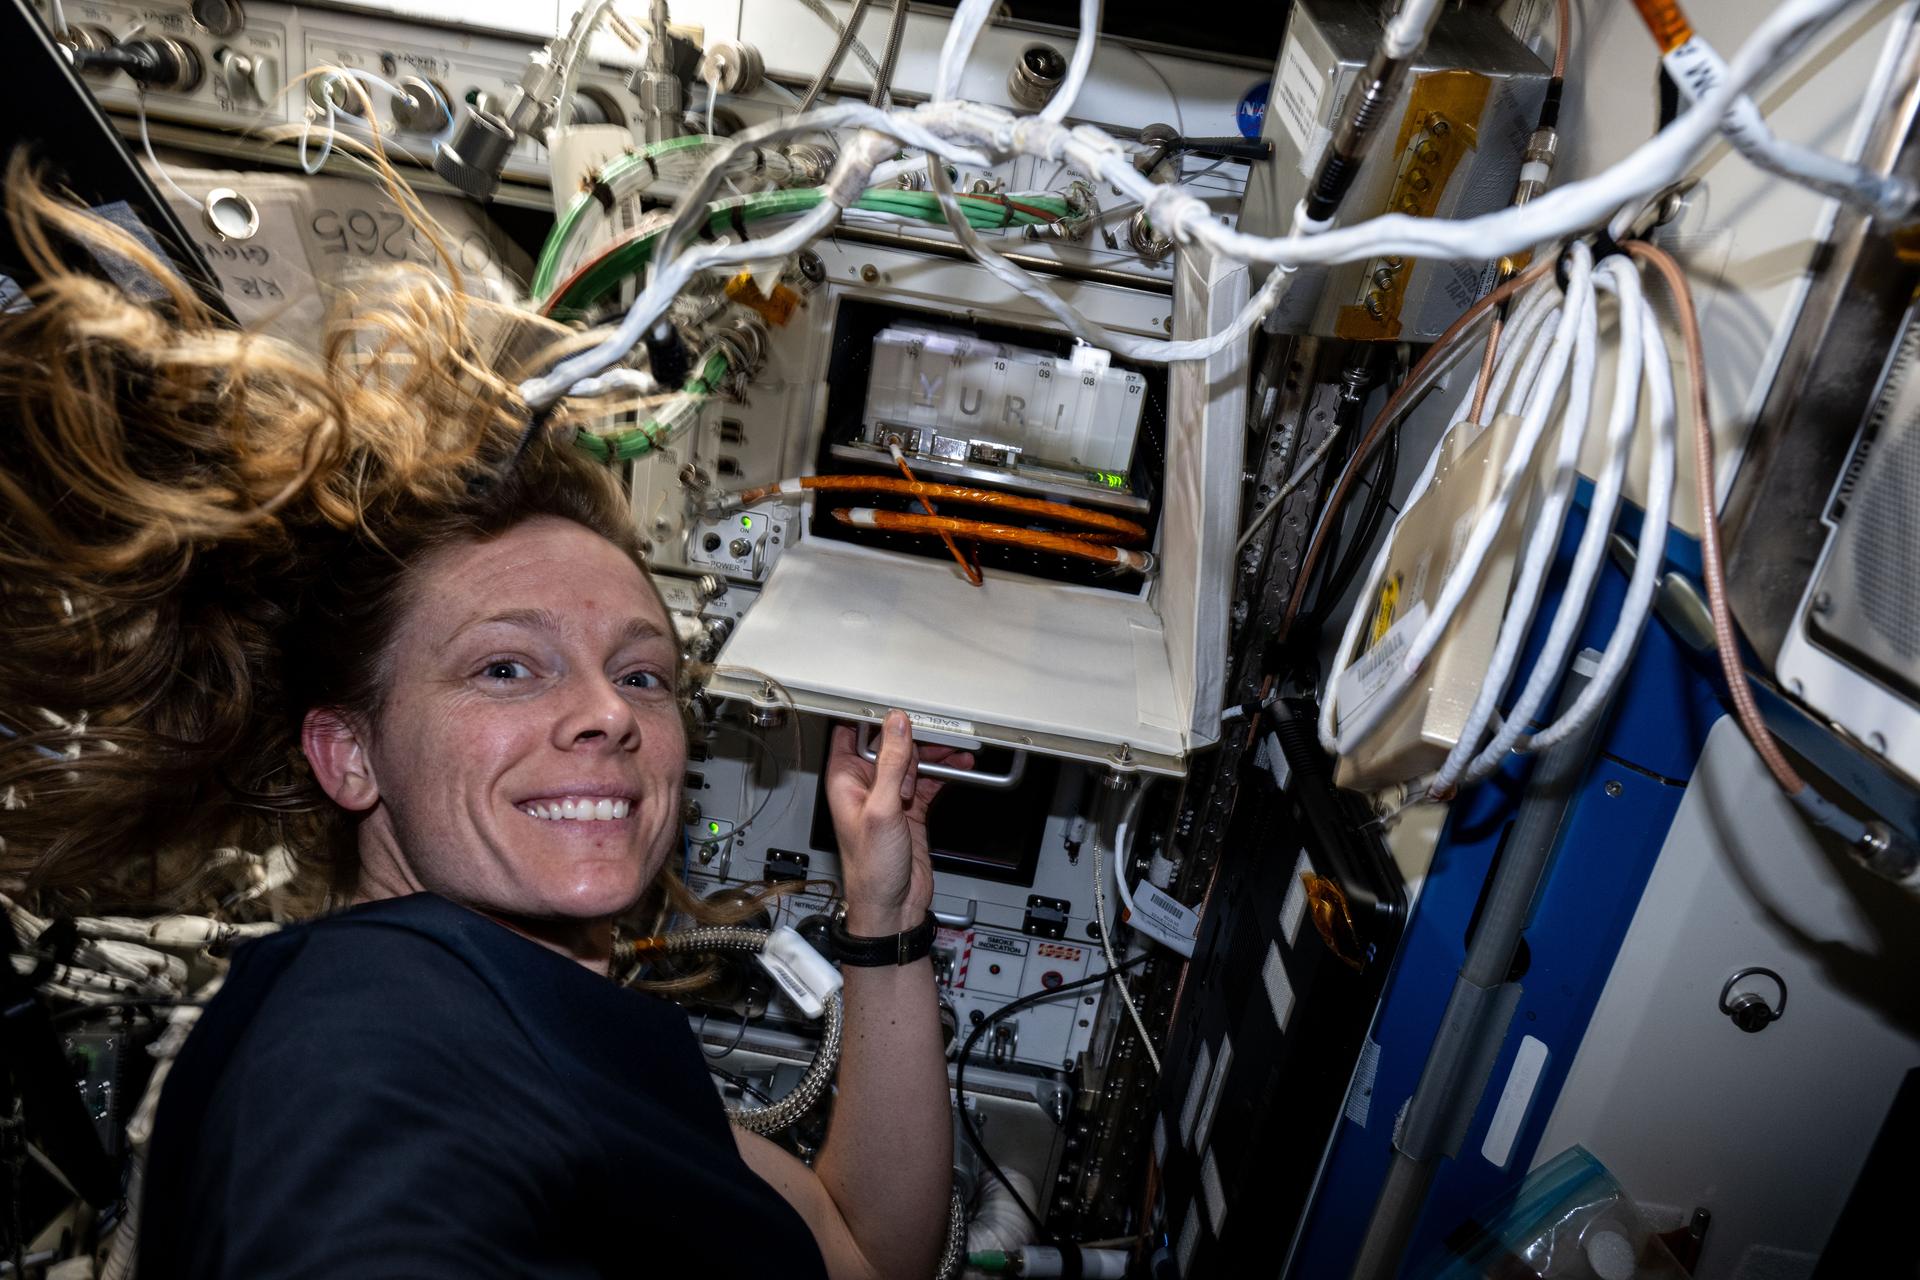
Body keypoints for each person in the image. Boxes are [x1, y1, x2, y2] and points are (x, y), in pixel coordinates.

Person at [0, 158, 970, 1277]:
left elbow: (861, 1248)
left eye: (643, 674)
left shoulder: (545, 1026)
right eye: (509, 667)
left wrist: (884, 911)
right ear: (350, 752)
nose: (607, 711)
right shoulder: (369, 1021)